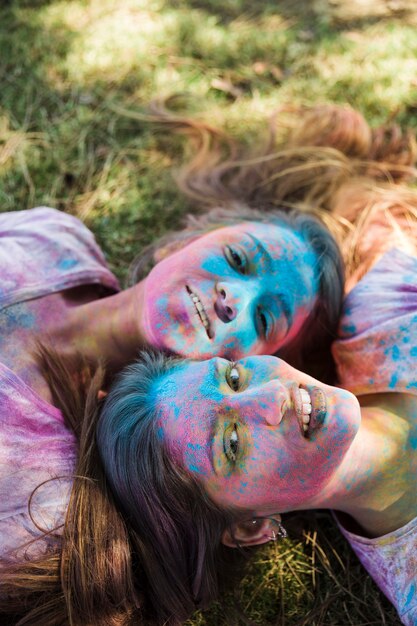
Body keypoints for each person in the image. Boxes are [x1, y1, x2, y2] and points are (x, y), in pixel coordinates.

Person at [1, 104, 416, 625]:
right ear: (183, 243)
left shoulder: (47, 491)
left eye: (263, 319)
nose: (229, 296)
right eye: (240, 259)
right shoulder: (48, 241)